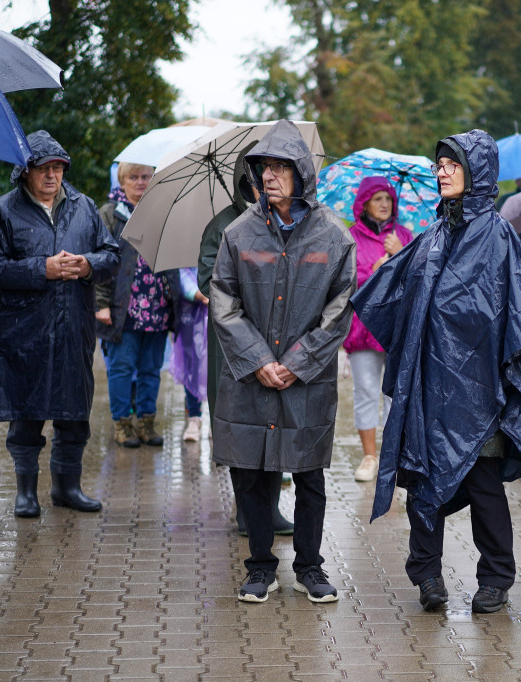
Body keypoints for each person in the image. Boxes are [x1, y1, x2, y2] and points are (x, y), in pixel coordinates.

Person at [350, 130, 521, 615]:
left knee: (483, 486)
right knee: (424, 480)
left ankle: (496, 578)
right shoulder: (433, 235)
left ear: (476, 171)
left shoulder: (498, 236)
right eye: (439, 163)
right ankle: (427, 576)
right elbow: (401, 298)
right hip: (429, 387)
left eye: (451, 164)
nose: (440, 170)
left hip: (481, 392)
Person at [210, 119, 356, 604]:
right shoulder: (237, 233)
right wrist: (258, 362)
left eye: (279, 168)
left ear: (302, 174)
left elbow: (340, 309)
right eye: (263, 168)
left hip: (306, 380)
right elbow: (223, 302)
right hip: (250, 380)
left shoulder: (333, 237)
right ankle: (259, 567)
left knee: (309, 474)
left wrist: (296, 362)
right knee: (252, 473)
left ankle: (310, 568)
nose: (269, 177)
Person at [0, 130, 119, 518]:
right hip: (22, 331)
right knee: (26, 414)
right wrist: (43, 269)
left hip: (73, 325)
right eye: (44, 169)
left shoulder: (85, 207)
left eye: (58, 168)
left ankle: (66, 487)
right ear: (25, 172)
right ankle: (26, 492)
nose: (52, 176)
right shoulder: (3, 210)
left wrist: (89, 264)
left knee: (74, 413)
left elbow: (112, 254)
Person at [198, 170, 293, 538]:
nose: (268, 181)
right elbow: (208, 278)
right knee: (242, 427)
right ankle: (247, 510)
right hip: (236, 343)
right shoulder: (223, 224)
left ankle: (271, 510)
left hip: (278, 339)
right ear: (245, 180)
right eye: (259, 175)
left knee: (274, 423)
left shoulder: (285, 219)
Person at [95, 163, 175, 448]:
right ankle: (122, 424)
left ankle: (146, 423)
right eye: (133, 177)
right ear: (122, 180)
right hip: (122, 308)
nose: (140, 182)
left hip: (157, 306)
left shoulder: (162, 212)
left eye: (145, 176)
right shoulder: (110, 214)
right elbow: (99, 262)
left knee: (151, 368)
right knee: (121, 367)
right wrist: (100, 304)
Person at [342, 176, 414, 482]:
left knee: (396, 394)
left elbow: (420, 276)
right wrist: (372, 273)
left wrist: (401, 251)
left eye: (388, 199)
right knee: (366, 391)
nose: (385, 205)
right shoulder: (350, 238)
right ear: (365, 204)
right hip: (363, 328)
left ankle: (392, 456)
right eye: (378, 199)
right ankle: (370, 456)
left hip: (397, 328)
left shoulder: (404, 235)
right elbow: (342, 281)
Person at [171, 267, 208, 443]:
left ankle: (217, 421)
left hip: (217, 314)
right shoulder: (182, 248)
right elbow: (182, 276)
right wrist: (199, 294)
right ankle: (194, 417)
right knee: (191, 366)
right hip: (190, 315)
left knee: (217, 367)